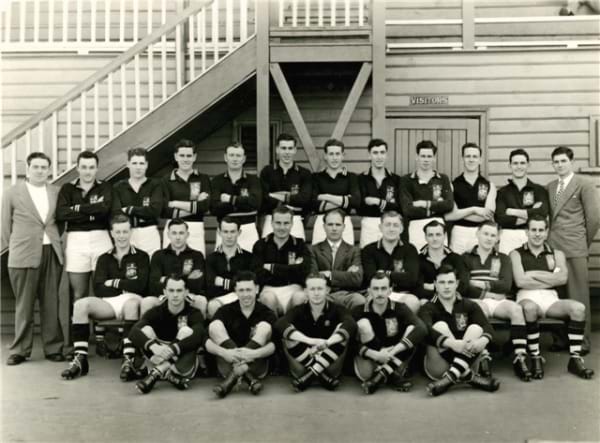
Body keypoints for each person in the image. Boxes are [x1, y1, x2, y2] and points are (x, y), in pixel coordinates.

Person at [60, 214, 149, 381]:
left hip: (133, 300)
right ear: (111, 233)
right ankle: (80, 359)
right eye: (118, 232)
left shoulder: (141, 256)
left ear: (130, 232)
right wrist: (126, 284)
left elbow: (141, 286)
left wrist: (114, 282)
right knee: (80, 305)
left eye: (125, 231)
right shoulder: (104, 258)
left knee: (131, 304)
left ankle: (129, 359)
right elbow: (99, 289)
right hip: (109, 304)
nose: (122, 236)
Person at [510, 215, 594, 380]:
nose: (537, 234)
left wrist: (532, 274)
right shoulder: (516, 253)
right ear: (526, 231)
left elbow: (562, 279)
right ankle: (535, 357)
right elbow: (520, 281)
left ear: (547, 232)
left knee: (578, 309)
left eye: (541, 230)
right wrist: (550, 278)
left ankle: (575, 359)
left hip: (550, 298)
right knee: (530, 308)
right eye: (533, 230)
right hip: (526, 296)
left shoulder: (557, 254)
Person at [2, 152, 65, 365]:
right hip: (23, 254)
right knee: (24, 304)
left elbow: (60, 222)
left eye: (43, 167)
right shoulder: (12, 193)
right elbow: (4, 227)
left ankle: (53, 347)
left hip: (51, 252)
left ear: (49, 170)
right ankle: (20, 350)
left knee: (51, 303)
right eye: (35, 167)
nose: (39, 171)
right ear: (28, 169)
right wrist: (18, 247)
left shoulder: (56, 192)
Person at [462, 220, 531, 381]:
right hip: (476, 300)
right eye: (485, 234)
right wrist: (490, 294)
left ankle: (520, 357)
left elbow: (505, 285)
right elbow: (464, 287)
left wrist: (478, 283)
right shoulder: (465, 257)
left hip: (499, 301)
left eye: (493, 235)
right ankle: (483, 356)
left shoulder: (504, 258)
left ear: (497, 238)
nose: (488, 238)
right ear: (477, 233)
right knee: (480, 309)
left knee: (516, 310)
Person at [547, 146, 600, 350]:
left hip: (575, 247)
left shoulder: (584, 184)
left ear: (571, 162)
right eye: (556, 162)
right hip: (554, 248)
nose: (560, 165)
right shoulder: (550, 187)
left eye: (563, 161)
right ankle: (561, 339)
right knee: (557, 295)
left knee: (578, 295)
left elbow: (594, 218)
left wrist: (582, 243)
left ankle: (581, 342)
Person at [419, 265, 500, 396]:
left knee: (476, 328)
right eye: (442, 282)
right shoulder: (428, 307)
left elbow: (487, 327)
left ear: (456, 283)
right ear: (435, 284)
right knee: (440, 326)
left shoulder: (469, 305)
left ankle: (452, 376)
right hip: (439, 367)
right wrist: (452, 344)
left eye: (450, 282)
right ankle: (468, 376)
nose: (446, 286)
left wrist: (483, 341)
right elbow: (425, 331)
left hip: (467, 363)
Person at [275, 273, 357, 392]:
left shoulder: (337, 309)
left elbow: (351, 324)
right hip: (302, 364)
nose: (316, 293)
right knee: (288, 333)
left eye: (320, 289)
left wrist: (327, 343)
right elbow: (279, 324)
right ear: (306, 292)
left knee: (342, 329)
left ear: (327, 290)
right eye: (312, 289)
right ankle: (319, 373)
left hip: (330, 365)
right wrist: (311, 341)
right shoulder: (298, 310)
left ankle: (313, 373)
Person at [129, 274, 206, 394]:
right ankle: (168, 374)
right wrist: (153, 347)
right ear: (165, 292)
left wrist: (172, 349)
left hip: (181, 364)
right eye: (171, 290)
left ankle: (158, 371)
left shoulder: (194, 313)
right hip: (157, 357)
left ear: (186, 292)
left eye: (179, 290)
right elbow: (133, 332)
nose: (175, 295)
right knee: (146, 329)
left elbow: (199, 336)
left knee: (186, 331)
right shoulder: (156, 311)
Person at [205, 271, 277, 398]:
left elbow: (274, 345)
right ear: (235, 291)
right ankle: (248, 377)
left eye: (249, 290)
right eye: (241, 290)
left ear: (257, 289)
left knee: (264, 327)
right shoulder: (225, 310)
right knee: (214, 325)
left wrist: (254, 354)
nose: (245, 295)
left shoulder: (266, 313)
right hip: (228, 362)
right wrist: (224, 353)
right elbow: (206, 340)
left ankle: (233, 378)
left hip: (256, 364)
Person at [353, 272, 427, 394]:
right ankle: (391, 374)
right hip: (372, 358)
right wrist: (375, 355)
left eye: (383, 288)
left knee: (412, 329)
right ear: (369, 291)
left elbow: (422, 328)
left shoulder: (400, 308)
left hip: (395, 355)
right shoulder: (359, 311)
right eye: (376, 289)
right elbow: (349, 342)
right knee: (363, 324)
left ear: (390, 291)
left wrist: (393, 352)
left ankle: (381, 375)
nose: (380, 293)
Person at [56, 150, 112, 302]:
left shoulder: (105, 187)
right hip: (76, 240)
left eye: (91, 167)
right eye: (84, 167)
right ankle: (80, 319)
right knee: (79, 294)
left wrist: (77, 208)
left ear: (97, 168)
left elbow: (105, 210)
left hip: (101, 239)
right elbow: (62, 214)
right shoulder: (67, 188)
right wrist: (93, 213)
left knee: (103, 292)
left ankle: (102, 319)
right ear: (77, 168)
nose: (88, 171)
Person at [252, 206, 311, 316]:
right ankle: (273, 326)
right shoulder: (260, 245)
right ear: (272, 223)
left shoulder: (299, 245)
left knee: (301, 297)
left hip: (293, 289)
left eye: (286, 223)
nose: (282, 227)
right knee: (267, 298)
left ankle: (292, 326)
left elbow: (304, 271)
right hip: (269, 289)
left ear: (292, 224)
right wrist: (290, 270)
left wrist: (272, 268)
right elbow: (258, 274)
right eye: (278, 223)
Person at [361, 211, 421, 313]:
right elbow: (371, 277)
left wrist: (385, 273)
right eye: (387, 225)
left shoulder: (410, 249)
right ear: (380, 227)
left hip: (402, 293)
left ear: (401, 229)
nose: (391, 229)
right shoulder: (369, 250)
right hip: (377, 293)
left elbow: (412, 279)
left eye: (395, 225)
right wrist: (399, 276)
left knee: (413, 302)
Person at [399, 140, 453, 251]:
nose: (426, 159)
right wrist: (436, 208)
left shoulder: (443, 178)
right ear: (417, 157)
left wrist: (424, 204)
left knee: (439, 258)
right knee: (418, 258)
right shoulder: (406, 180)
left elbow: (448, 205)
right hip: (416, 226)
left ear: (434, 158)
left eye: (429, 156)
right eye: (423, 156)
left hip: (438, 226)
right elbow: (407, 209)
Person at [146, 219, 207, 316]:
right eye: (174, 233)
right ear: (168, 235)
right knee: (147, 302)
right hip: (164, 295)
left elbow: (198, 285)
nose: (178, 237)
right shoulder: (158, 255)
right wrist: (187, 278)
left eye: (181, 233)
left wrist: (165, 279)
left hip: (187, 294)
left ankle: (198, 326)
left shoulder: (197, 255)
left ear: (187, 234)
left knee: (201, 301)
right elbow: (153, 285)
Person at [495, 148, 549, 255]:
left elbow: (542, 213)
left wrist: (512, 211)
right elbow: (500, 218)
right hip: (508, 237)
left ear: (528, 165)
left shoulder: (539, 190)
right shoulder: (502, 192)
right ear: (510, 166)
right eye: (515, 163)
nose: (519, 166)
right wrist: (532, 213)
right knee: (508, 265)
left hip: (532, 236)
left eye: (522, 163)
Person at [161, 139, 211, 255]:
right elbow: (165, 210)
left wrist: (175, 203)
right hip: (173, 228)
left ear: (194, 157)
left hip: (195, 227)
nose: (185, 159)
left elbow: (205, 206)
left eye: (189, 156)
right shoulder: (166, 180)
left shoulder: (203, 178)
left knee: (197, 263)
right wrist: (195, 205)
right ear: (176, 157)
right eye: (182, 155)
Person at [445, 142, 496, 254]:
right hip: (459, 232)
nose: (471, 160)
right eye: (468, 156)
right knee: (458, 263)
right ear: (462, 159)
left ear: (480, 160)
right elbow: (449, 216)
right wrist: (475, 209)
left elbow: (488, 215)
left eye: (475, 156)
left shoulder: (489, 185)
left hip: (481, 232)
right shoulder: (453, 185)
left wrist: (459, 213)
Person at [210, 142, 262, 252]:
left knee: (251, 261)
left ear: (244, 158)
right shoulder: (217, 181)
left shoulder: (253, 180)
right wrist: (243, 203)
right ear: (225, 157)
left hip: (247, 228)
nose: (235, 159)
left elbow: (256, 203)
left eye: (238, 155)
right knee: (223, 262)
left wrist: (230, 200)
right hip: (225, 229)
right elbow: (214, 208)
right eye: (231, 155)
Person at [309, 208, 365, 310]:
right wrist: (346, 274)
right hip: (320, 293)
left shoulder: (354, 251)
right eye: (330, 224)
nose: (334, 228)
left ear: (343, 227)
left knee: (359, 300)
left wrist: (329, 274)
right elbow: (312, 276)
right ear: (324, 227)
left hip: (345, 294)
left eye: (338, 225)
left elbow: (357, 279)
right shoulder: (313, 250)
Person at [112, 147, 163, 257]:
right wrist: (144, 211)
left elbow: (155, 211)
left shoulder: (155, 185)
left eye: (141, 163)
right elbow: (116, 214)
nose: (138, 167)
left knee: (151, 265)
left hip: (149, 233)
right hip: (127, 233)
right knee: (128, 265)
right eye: (134, 163)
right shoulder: (118, 187)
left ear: (146, 165)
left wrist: (129, 209)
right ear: (128, 164)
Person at [260, 133, 312, 239]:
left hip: (295, 219)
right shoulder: (267, 172)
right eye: (283, 148)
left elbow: (305, 199)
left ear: (295, 150)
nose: (287, 152)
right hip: (272, 219)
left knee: (296, 249)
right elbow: (264, 199)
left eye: (290, 148)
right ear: (277, 150)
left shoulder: (304, 173)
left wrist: (275, 195)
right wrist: (291, 199)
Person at [311, 138, 360, 245]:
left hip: (344, 221)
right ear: (325, 156)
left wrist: (326, 196)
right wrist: (345, 201)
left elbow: (356, 201)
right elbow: (313, 203)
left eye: (337, 154)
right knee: (320, 255)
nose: (334, 158)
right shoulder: (316, 177)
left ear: (343, 155)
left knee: (345, 255)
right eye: (331, 154)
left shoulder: (352, 177)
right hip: (322, 222)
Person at [358, 138, 402, 248]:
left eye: (382, 152)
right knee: (367, 254)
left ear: (386, 155)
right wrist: (388, 205)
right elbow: (360, 207)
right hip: (369, 224)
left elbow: (399, 206)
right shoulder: (361, 179)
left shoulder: (395, 179)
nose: (379, 156)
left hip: (390, 223)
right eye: (375, 153)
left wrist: (377, 202)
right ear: (369, 155)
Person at [205, 217, 253, 318]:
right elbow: (210, 283)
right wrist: (235, 282)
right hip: (219, 298)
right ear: (219, 232)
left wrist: (221, 281)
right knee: (213, 305)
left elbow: (250, 282)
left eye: (232, 232)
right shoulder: (211, 258)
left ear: (239, 232)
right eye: (225, 232)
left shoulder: (249, 257)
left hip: (242, 296)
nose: (229, 236)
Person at [417, 220, 468, 303]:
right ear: (425, 237)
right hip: (429, 302)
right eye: (430, 235)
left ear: (444, 236)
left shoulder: (456, 258)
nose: (434, 239)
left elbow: (463, 285)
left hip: (454, 301)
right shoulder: (418, 259)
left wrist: (432, 287)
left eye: (438, 234)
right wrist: (447, 289)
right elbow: (418, 289)